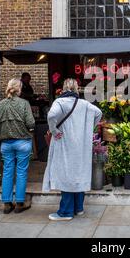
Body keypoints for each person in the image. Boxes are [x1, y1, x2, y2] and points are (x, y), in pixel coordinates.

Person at [43, 78, 102, 221]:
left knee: (66, 174)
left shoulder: (60, 102)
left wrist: (54, 130)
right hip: (80, 145)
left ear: (63, 88)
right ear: (77, 89)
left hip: (64, 143)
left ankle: (66, 212)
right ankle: (78, 208)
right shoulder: (84, 104)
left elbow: (51, 115)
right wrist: (88, 129)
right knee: (78, 173)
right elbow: (99, 112)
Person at [0, 78, 35, 214]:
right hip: (23, 142)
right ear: (20, 89)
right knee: (21, 172)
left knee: (7, 172)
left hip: (6, 143)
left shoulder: (1, 105)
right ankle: (19, 203)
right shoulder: (24, 103)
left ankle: (6, 204)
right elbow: (30, 123)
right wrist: (29, 127)